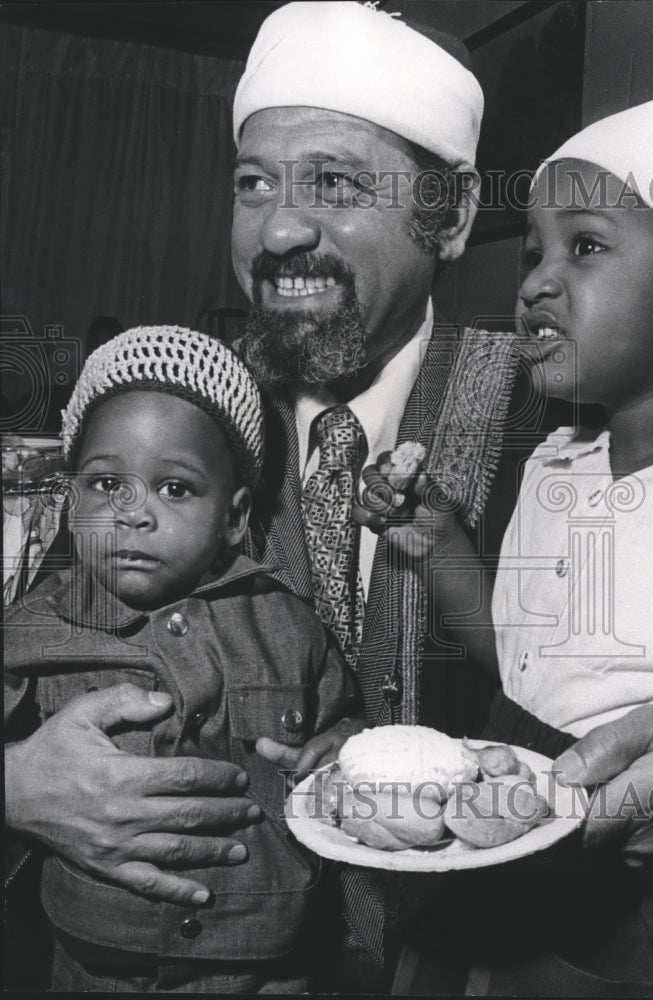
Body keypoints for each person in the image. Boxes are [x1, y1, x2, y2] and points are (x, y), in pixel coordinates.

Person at [5, 4, 528, 991]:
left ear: (450, 216)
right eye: (254, 184)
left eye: (334, 183)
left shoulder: (549, 415)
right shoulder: (173, 411)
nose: (280, 227)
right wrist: (14, 783)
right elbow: (40, 637)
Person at [361, 91, 653, 996]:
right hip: (505, 861)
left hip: (648, 913)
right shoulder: (553, 462)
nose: (535, 279)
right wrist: (439, 547)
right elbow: (528, 663)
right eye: (534, 250)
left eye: (584, 246)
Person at [4, 325, 358, 993]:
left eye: (174, 489)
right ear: (71, 498)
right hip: (89, 969)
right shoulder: (31, 628)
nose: (133, 514)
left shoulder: (289, 623)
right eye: (107, 483)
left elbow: (339, 728)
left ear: (233, 516)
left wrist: (335, 755)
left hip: (272, 965)